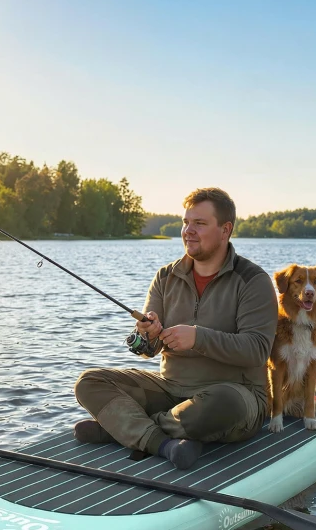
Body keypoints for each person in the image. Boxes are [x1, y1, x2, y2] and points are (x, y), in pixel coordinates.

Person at [73, 187, 278, 470]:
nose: (188, 231)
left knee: (223, 404)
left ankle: (119, 429)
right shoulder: (166, 276)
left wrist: (198, 337)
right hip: (170, 390)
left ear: (225, 229)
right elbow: (147, 350)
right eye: (186, 222)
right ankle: (164, 443)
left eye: (200, 224)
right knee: (89, 382)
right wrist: (147, 335)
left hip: (235, 395)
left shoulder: (253, 281)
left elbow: (257, 350)